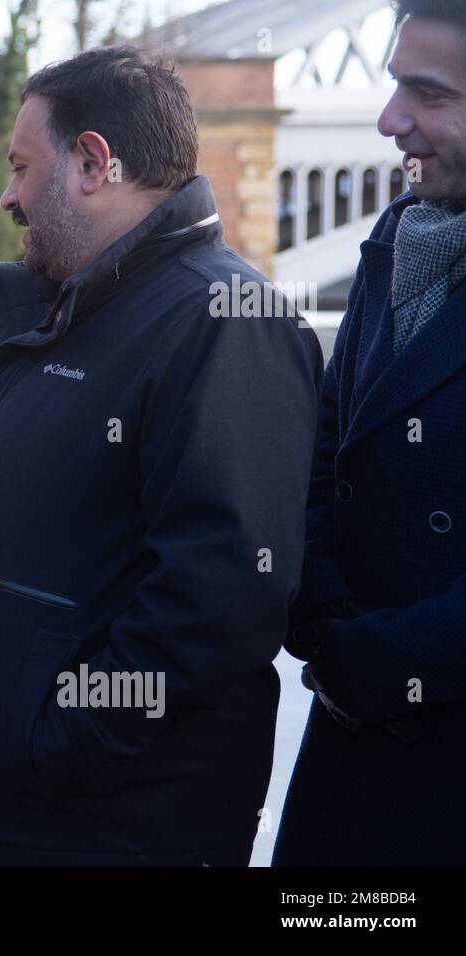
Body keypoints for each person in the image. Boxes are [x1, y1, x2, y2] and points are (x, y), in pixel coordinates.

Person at [0, 46, 322, 866]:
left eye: (20, 166)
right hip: (23, 812)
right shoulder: (75, 312)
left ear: (91, 162)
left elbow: (217, 605)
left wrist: (45, 753)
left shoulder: (226, 322)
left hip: (100, 827)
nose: (8, 196)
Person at [274, 0, 466, 866]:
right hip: (356, 734)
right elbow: (323, 454)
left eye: (426, 94)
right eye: (394, 87)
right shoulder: (396, 242)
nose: (390, 121)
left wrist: (389, 656)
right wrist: (324, 618)